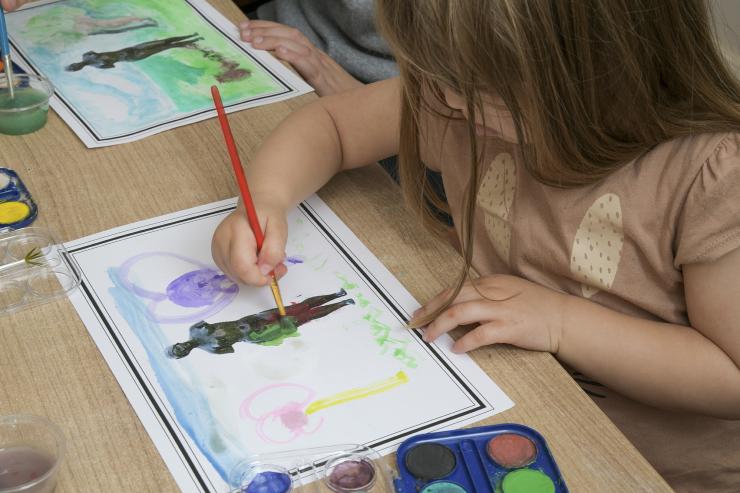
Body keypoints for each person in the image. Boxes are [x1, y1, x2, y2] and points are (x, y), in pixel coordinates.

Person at [212, 1, 740, 491]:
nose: (444, 103)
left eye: (473, 91)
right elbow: (332, 123)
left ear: (601, 72)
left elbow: (731, 378)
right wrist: (266, 199)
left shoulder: (713, 172)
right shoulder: (459, 101)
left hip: (637, 464)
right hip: (501, 403)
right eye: (437, 81)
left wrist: (561, 322)